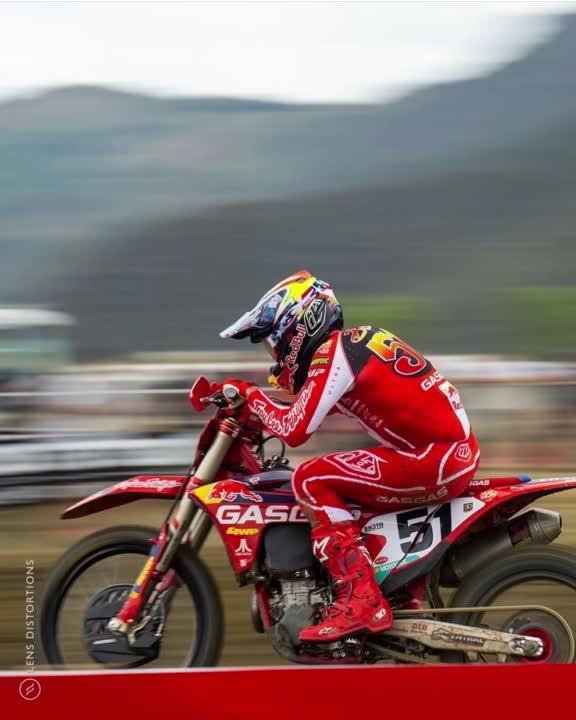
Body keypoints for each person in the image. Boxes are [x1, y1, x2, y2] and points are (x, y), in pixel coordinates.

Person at [219, 270, 479, 642]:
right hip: (441, 455)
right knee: (344, 478)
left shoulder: (334, 354)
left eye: (272, 344)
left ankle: (361, 598)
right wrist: (256, 403)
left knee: (310, 479)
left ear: (297, 327)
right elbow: (305, 410)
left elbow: (295, 429)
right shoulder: (352, 347)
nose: (274, 358)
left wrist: (250, 395)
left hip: (433, 459)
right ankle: (401, 594)